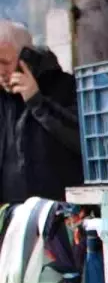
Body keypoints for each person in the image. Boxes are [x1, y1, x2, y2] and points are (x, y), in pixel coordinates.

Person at [0, 21, 83, 204]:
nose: (0, 72)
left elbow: (82, 140)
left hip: (58, 213)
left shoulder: (64, 87)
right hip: (8, 216)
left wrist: (37, 102)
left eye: (5, 63)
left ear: (27, 57)